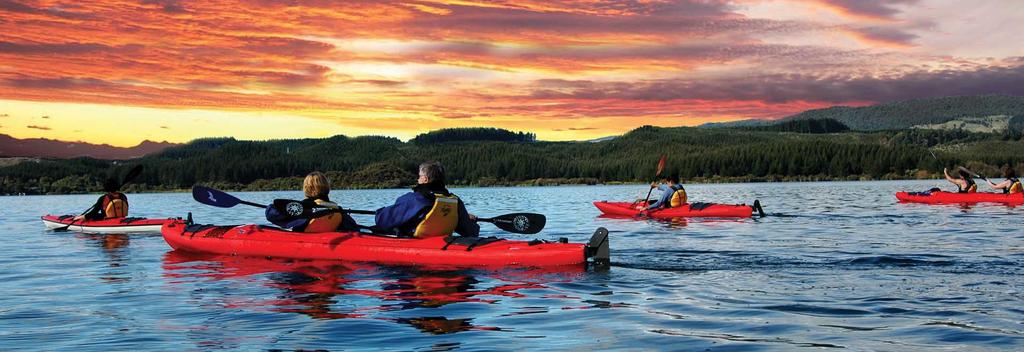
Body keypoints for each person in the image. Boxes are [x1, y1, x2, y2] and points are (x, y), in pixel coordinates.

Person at [374, 161, 479, 237]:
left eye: (419, 176)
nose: (418, 179)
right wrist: (467, 219)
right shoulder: (454, 201)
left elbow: (382, 220)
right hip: (440, 244)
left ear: (425, 179)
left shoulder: (414, 199)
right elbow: (471, 232)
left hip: (415, 244)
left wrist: (379, 212)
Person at [266, 171, 359, 233]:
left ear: (306, 189)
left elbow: (271, 214)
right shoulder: (338, 210)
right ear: (327, 187)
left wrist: (275, 207)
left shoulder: (304, 209)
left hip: (305, 243)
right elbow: (354, 228)